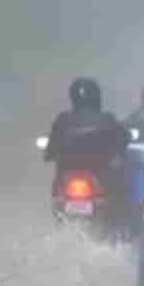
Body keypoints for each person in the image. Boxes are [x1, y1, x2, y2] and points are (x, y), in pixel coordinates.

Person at [44, 77, 132, 225]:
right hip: (97, 178)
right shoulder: (107, 118)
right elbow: (123, 139)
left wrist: (49, 154)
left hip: (73, 177)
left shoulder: (63, 119)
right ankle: (119, 225)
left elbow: (51, 149)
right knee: (120, 193)